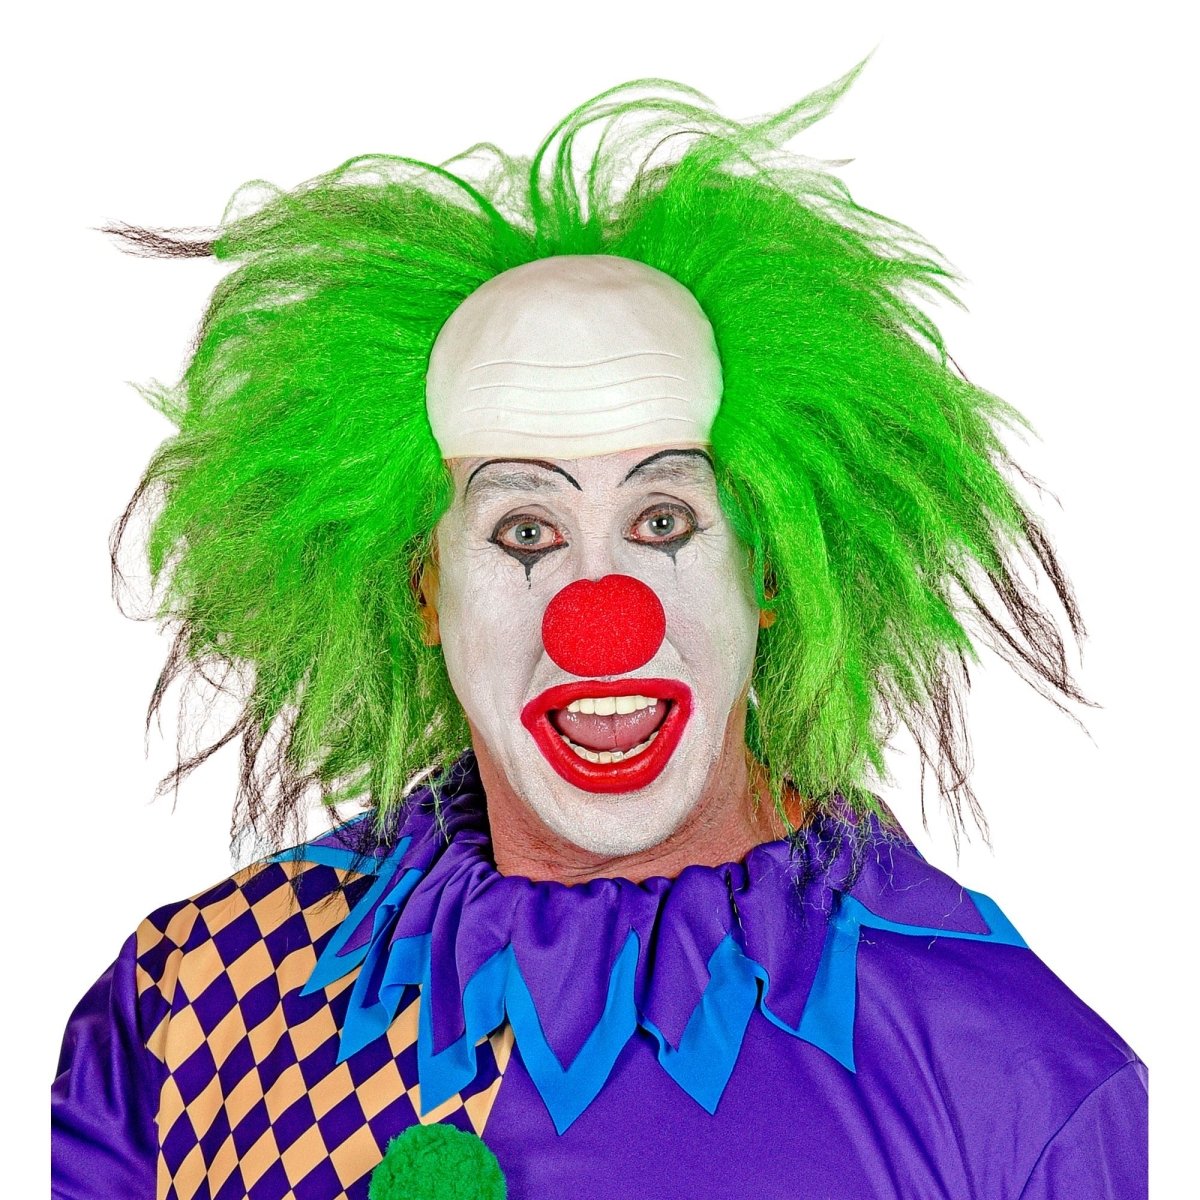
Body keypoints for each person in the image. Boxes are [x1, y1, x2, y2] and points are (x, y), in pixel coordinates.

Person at [51, 71, 1148, 1198]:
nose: (599, 618)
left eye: (663, 521)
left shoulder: (1011, 1079)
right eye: (524, 530)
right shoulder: (193, 1005)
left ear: (771, 570)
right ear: (424, 588)